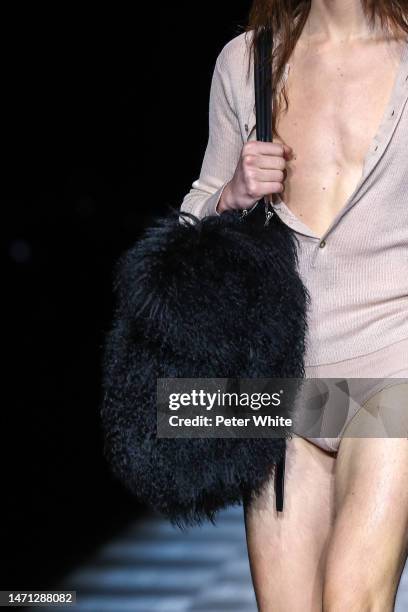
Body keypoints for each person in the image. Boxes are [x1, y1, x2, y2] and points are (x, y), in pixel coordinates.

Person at [180, 1, 408, 610]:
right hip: (282, 374)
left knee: (351, 596)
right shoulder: (248, 61)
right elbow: (192, 216)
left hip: (394, 359)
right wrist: (229, 195)